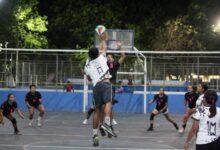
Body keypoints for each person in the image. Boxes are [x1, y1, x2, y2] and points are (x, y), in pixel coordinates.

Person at [84, 42, 117, 146]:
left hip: (96, 87)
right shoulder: (102, 58)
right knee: (109, 102)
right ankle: (107, 123)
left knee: (97, 112)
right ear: (98, 53)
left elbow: (89, 79)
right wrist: (104, 39)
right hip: (105, 83)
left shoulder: (87, 65)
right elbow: (104, 47)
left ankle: (95, 135)